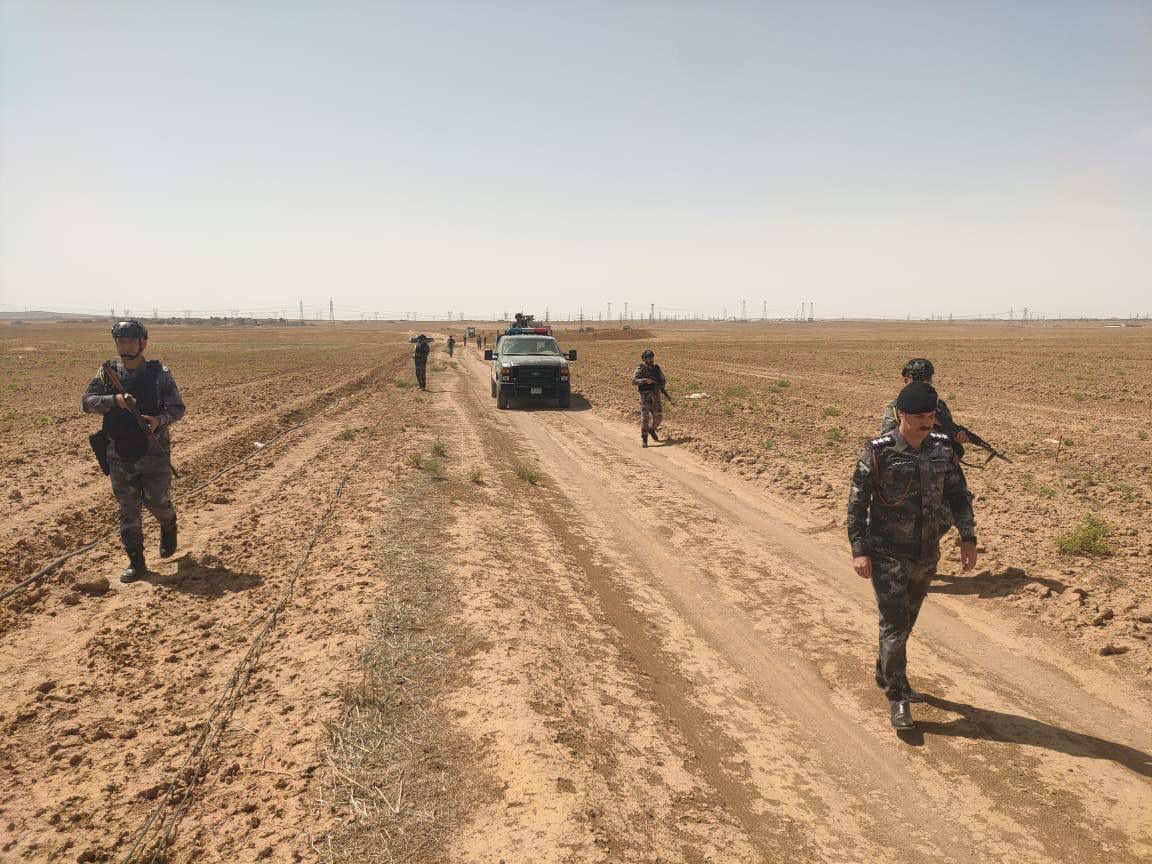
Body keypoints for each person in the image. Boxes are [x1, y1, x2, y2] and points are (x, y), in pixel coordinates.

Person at [847, 381, 977, 729]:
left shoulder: (942, 448)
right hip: (887, 553)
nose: (927, 422)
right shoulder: (878, 452)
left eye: (931, 416)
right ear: (901, 414)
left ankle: (884, 671)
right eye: (920, 416)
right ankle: (898, 696)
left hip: (926, 553)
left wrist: (968, 536)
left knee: (906, 623)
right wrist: (860, 550)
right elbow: (857, 505)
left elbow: (959, 494)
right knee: (894, 623)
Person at [82, 320, 186, 583]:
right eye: (121, 341)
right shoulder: (107, 373)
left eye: (131, 341)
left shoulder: (160, 374)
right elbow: (87, 402)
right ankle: (136, 562)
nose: (126, 345)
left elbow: (177, 408)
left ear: (143, 343)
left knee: (156, 501)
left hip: (153, 451)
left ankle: (168, 523)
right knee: (128, 509)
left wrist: (159, 420)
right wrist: (114, 400)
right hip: (119, 452)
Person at [879, 358, 969, 451]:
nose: (922, 386)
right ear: (906, 381)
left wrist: (956, 437)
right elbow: (887, 440)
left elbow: (948, 436)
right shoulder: (896, 407)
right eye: (917, 381)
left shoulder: (939, 406)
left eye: (926, 381)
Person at [631, 349, 667, 448]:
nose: (651, 359)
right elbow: (633, 381)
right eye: (648, 358)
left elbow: (663, 379)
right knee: (645, 418)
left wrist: (661, 386)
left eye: (652, 357)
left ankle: (652, 430)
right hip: (645, 397)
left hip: (656, 396)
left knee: (659, 417)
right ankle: (644, 438)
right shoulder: (640, 369)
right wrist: (645, 381)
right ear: (644, 359)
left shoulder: (656, 368)